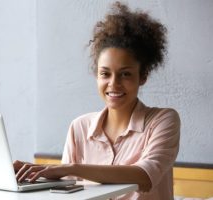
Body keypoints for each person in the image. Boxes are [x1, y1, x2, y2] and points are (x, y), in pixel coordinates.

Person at [13, 2, 180, 199]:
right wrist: (33, 175)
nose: (113, 84)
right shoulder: (79, 127)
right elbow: (65, 191)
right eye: (105, 74)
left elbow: (144, 176)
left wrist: (72, 168)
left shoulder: (163, 120)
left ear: (142, 76)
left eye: (125, 74)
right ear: (96, 76)